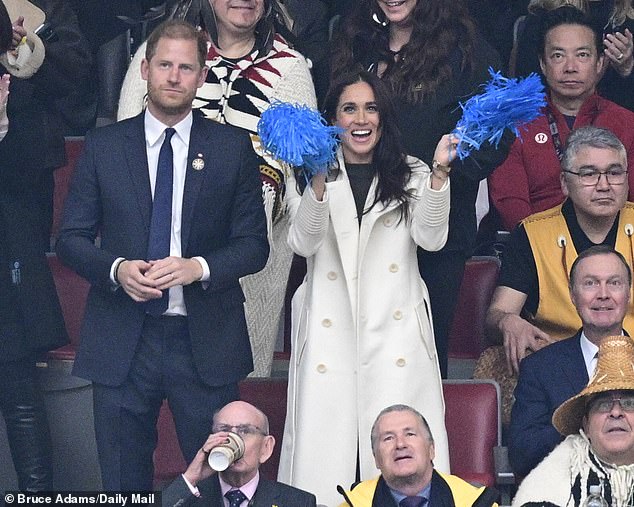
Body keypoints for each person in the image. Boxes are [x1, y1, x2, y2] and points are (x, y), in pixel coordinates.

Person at [56, 19, 269, 491]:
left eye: (187, 67)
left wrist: (199, 268)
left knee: (217, 481)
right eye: (165, 65)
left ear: (202, 74)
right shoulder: (104, 146)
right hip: (122, 337)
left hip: (204, 340)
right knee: (122, 481)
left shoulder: (232, 147)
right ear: (146, 70)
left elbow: (255, 246)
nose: (175, 76)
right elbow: (70, 238)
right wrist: (115, 269)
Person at [278, 71, 453, 507]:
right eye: (349, 109)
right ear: (333, 120)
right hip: (329, 337)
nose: (361, 118)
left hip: (394, 335)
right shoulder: (309, 171)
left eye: (371, 108)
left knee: (398, 459)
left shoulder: (411, 171)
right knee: (327, 462)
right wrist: (317, 183)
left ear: (383, 117)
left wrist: (439, 176)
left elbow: (432, 239)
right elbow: (302, 243)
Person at [118, 0, 317, 377]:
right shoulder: (163, 51)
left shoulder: (290, 67)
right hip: (155, 240)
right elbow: (123, 149)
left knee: (236, 382)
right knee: (145, 383)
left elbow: (302, 168)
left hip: (252, 245)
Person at [329, 0, 512, 378]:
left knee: (421, 355)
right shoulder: (355, 43)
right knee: (353, 356)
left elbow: (498, 133)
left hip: (436, 227)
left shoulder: (467, 51)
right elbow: (331, 118)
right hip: (359, 221)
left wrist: (442, 171)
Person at [0, 0, 90, 491]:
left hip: (17, 189)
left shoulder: (47, 8)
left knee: (13, 362)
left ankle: (37, 493)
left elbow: (74, 78)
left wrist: (25, 51)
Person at [486, 126, 634, 376]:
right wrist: (507, 321)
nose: (604, 185)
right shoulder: (532, 234)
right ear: (565, 183)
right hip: (560, 364)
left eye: (614, 173)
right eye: (589, 174)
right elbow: (497, 313)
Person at [489, 6, 634, 231]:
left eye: (582, 55)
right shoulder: (515, 124)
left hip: (613, 249)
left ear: (599, 64)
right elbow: (511, 204)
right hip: (537, 247)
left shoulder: (626, 123)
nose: (570, 67)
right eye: (558, 56)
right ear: (543, 65)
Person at [509, 245, 631, 477]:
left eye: (614, 283)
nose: (603, 294)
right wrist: (585, 426)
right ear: (573, 296)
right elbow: (522, 452)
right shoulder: (540, 367)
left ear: (628, 293)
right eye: (590, 283)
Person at [512, 334, 634, 506]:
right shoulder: (548, 482)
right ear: (586, 425)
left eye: (629, 403)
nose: (616, 412)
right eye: (603, 404)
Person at [338, 405, 499, 507]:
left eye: (410, 434)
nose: (400, 444)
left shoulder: (475, 503)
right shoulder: (354, 504)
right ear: (376, 459)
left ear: (431, 449)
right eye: (388, 438)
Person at [163, 400, 316, 507]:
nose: (232, 439)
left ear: (266, 447)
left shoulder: (297, 502)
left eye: (245, 431)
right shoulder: (183, 494)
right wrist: (190, 478)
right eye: (224, 430)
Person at [514, 0, 634, 112]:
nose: (570, 67)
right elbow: (525, 84)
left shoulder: (627, 23)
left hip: (613, 120)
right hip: (549, 119)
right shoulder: (544, 16)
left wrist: (627, 69)